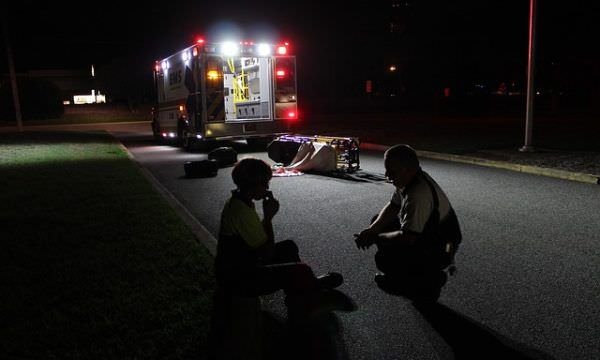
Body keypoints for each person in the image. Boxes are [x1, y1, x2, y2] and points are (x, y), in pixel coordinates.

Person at [214, 158, 348, 322]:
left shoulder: (240, 201)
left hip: (243, 263)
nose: (267, 188)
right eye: (265, 183)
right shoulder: (241, 211)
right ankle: (305, 303)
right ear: (254, 185)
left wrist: (266, 220)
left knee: (288, 247)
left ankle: (303, 291)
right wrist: (269, 218)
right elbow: (267, 253)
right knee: (302, 270)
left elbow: (259, 242)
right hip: (239, 279)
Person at [354, 144, 461, 302]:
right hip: (429, 234)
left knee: (385, 259)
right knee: (378, 222)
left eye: (391, 171)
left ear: (407, 169)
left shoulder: (418, 194)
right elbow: (393, 206)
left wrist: (375, 238)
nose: (387, 175)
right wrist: (372, 230)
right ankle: (412, 276)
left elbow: (407, 237)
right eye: (387, 170)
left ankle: (428, 281)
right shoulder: (409, 179)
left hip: (442, 246)